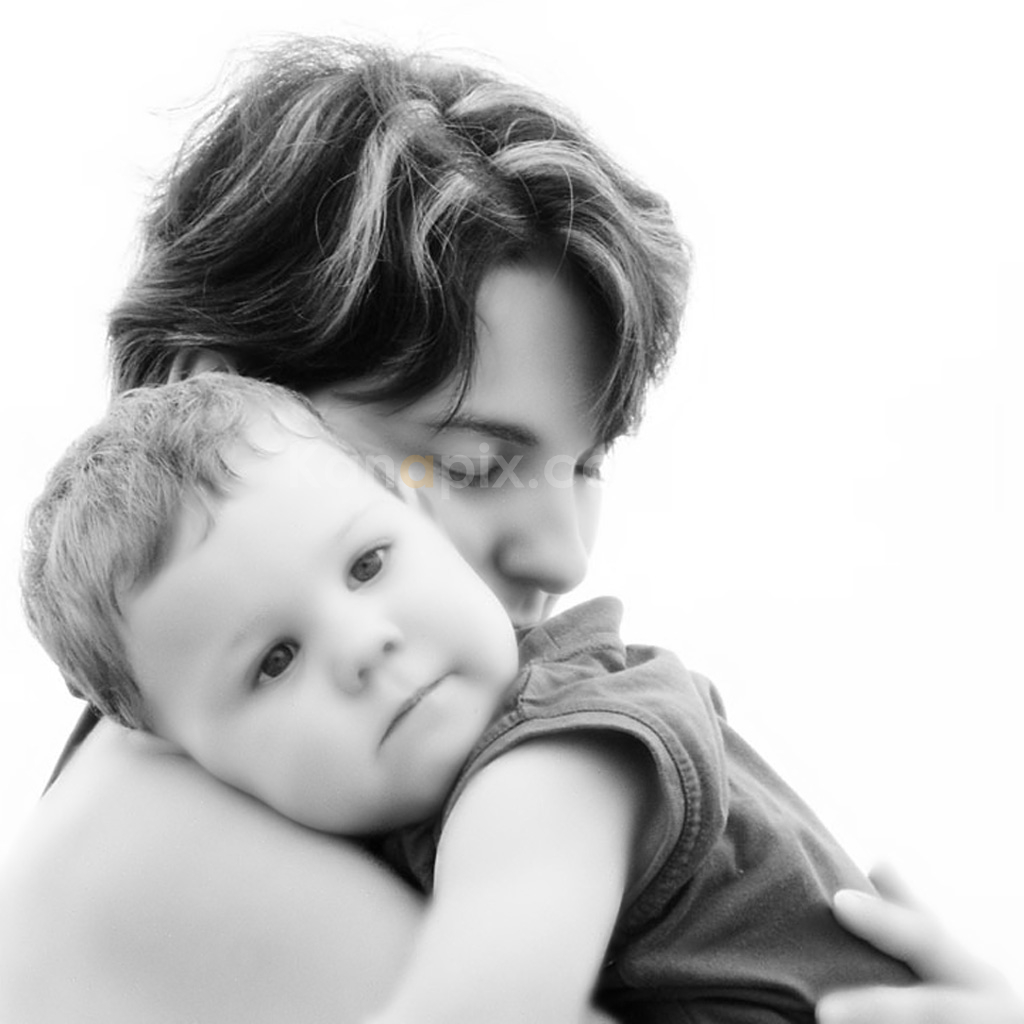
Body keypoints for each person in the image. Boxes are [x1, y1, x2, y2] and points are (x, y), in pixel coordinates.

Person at [0, 36, 1018, 1024]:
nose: (564, 555)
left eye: (587, 464)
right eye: (475, 465)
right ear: (224, 399)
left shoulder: (470, 752)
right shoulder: (151, 847)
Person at [22, 372, 915, 1023]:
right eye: (276, 660)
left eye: (368, 563)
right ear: (172, 747)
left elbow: (488, 1001)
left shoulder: (558, 749)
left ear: (412, 514)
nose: (364, 643)